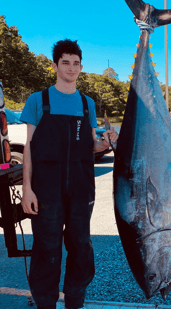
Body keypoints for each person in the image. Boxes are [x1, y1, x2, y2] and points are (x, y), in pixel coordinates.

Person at [21, 39, 118, 309]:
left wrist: (105, 143)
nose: (71, 68)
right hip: (45, 188)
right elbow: (29, 148)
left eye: (76, 63)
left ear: (81, 67)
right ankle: (45, 303)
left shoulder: (87, 104)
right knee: (47, 249)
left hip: (81, 188)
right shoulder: (38, 100)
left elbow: (91, 147)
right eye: (66, 62)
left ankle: (75, 301)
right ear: (55, 65)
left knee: (80, 247)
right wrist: (27, 188)